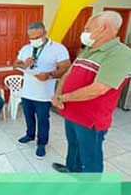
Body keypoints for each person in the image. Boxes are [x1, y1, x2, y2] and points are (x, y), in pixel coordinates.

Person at [53, 11, 131, 173]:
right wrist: (58, 94)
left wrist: (63, 97)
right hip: (71, 111)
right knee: (73, 144)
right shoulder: (89, 49)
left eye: (88, 28)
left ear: (103, 29)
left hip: (91, 119)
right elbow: (68, 73)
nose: (84, 32)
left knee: (91, 157)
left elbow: (98, 89)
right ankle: (72, 168)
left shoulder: (121, 54)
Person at [12, 21, 71, 158]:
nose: (34, 40)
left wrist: (49, 75)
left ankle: (42, 143)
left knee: (43, 120)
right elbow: (15, 64)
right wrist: (23, 63)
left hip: (44, 95)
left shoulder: (58, 48)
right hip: (27, 92)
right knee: (29, 117)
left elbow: (66, 68)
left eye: (37, 37)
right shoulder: (26, 48)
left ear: (45, 33)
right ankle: (30, 135)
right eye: (31, 38)